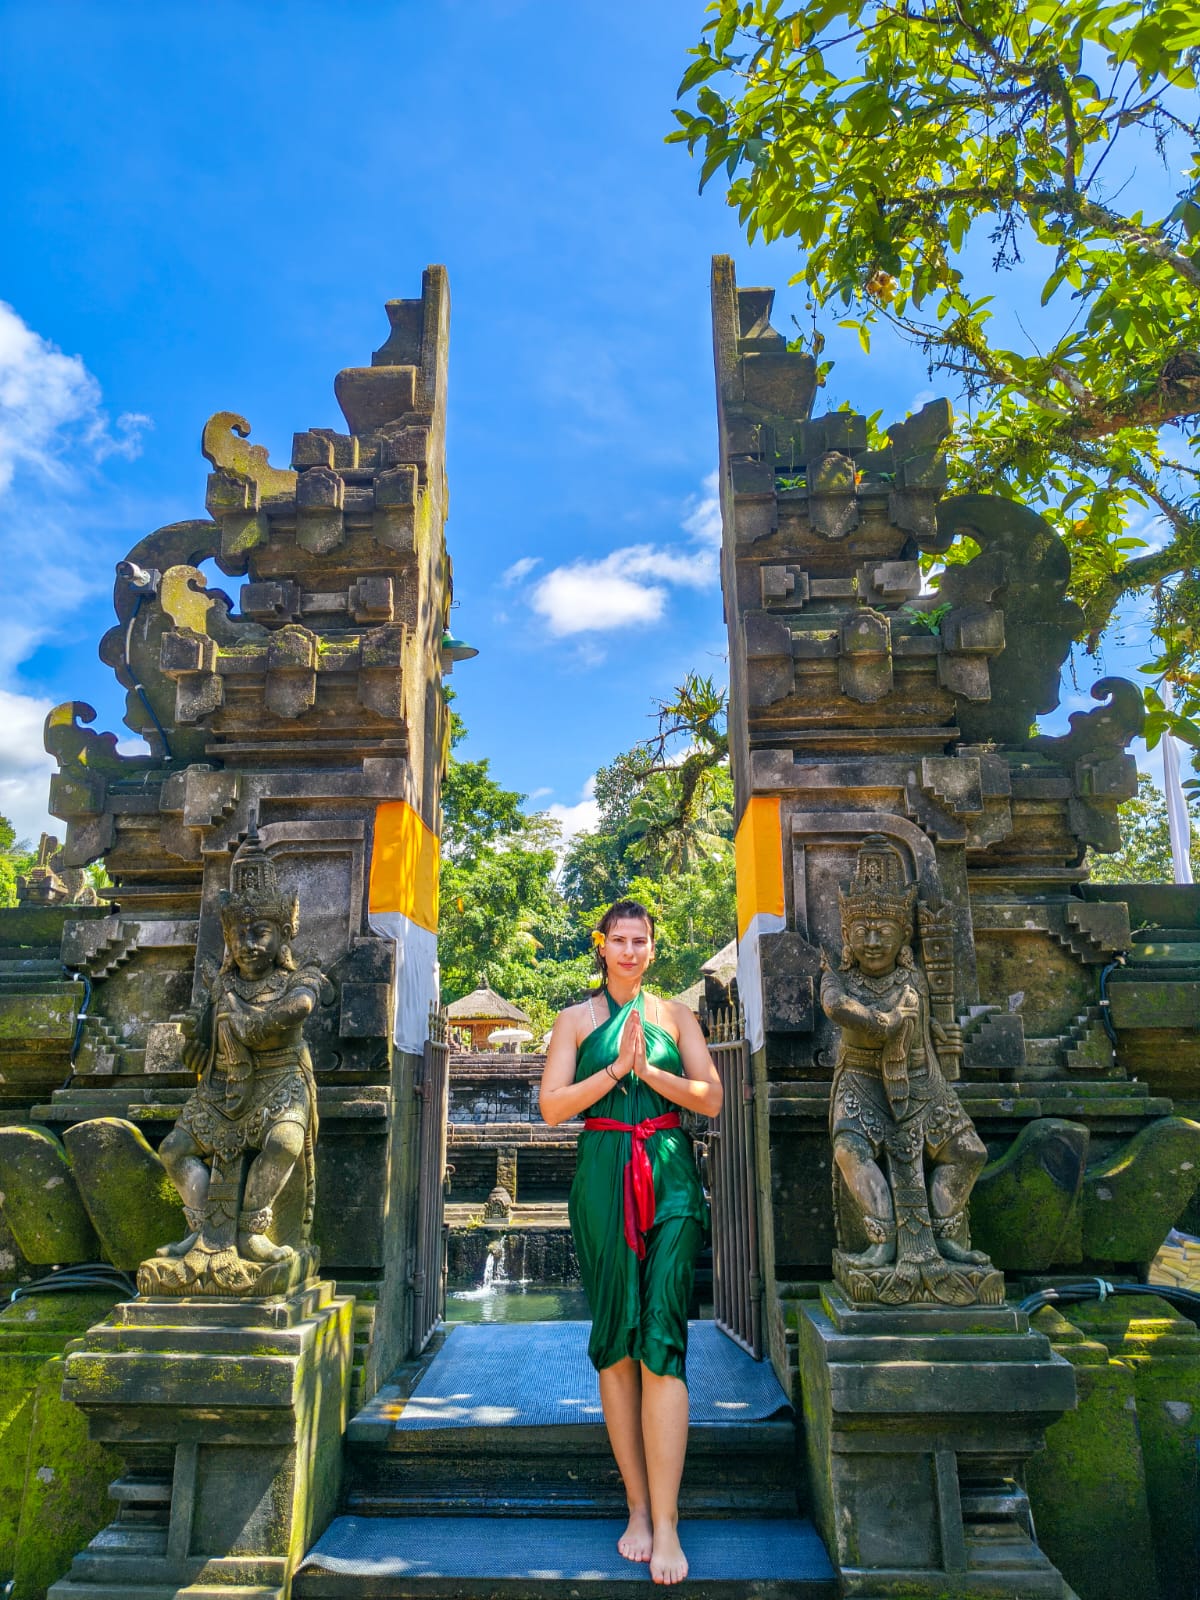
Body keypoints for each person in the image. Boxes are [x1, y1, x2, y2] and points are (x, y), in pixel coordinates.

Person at [540, 900, 723, 1587]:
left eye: (640, 940)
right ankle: (639, 1510)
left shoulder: (676, 1015)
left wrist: (654, 1075)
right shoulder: (575, 1020)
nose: (629, 950)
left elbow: (710, 1096)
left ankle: (671, 1523)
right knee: (617, 1342)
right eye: (618, 940)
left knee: (663, 1341)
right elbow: (553, 1106)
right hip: (603, 1177)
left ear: (652, 947)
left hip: (671, 1175)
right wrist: (617, 1071)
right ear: (602, 946)